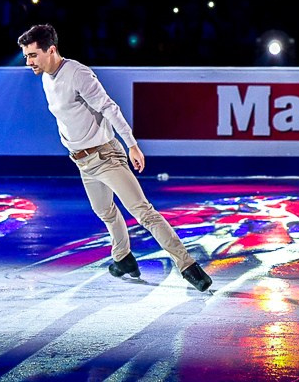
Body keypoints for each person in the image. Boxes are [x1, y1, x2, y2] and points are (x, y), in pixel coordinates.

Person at [17, 23, 212, 292]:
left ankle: (188, 266)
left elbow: (109, 108)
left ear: (51, 50)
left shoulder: (78, 74)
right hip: (83, 162)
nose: (28, 62)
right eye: (26, 56)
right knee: (104, 211)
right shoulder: (45, 78)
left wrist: (131, 144)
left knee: (144, 212)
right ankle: (123, 258)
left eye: (33, 55)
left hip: (106, 157)